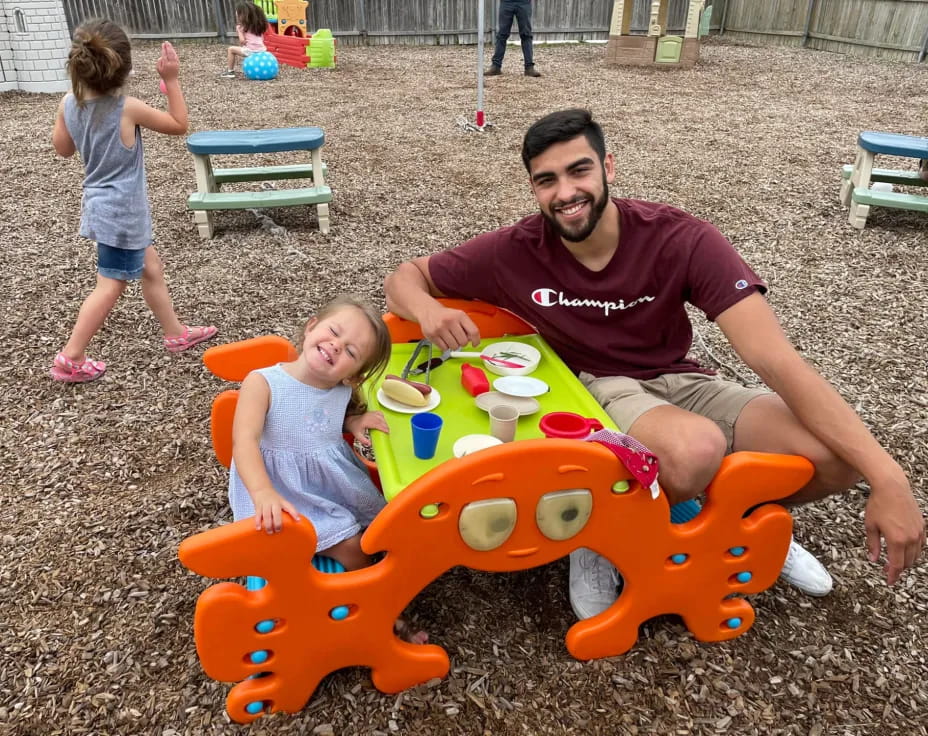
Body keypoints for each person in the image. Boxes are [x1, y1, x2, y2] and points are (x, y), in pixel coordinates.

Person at [384, 108, 925, 620]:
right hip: (595, 387)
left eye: (579, 171)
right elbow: (404, 277)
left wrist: (886, 475)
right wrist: (429, 309)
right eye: (546, 180)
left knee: (833, 459)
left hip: (681, 378)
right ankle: (597, 533)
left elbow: (774, 357)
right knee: (693, 453)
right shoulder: (515, 248)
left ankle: (736, 525)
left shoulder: (680, 238)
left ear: (608, 167)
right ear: (534, 189)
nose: (566, 193)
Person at [227, 296, 427, 642]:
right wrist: (263, 493)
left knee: (385, 527)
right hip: (281, 490)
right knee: (354, 546)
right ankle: (382, 610)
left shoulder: (338, 390)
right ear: (311, 327)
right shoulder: (263, 383)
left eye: (350, 352)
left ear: (354, 375)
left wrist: (353, 421)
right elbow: (244, 440)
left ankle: (371, 580)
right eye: (334, 332)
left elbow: (319, 422)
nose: (336, 346)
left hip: (328, 482)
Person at [51, 20, 217, 383]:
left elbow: (63, 149)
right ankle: (70, 356)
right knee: (111, 283)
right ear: (123, 68)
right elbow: (178, 124)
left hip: (99, 205)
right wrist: (172, 80)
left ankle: (175, 333)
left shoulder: (68, 102)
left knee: (150, 267)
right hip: (122, 213)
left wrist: (69, 111)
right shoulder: (126, 107)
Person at [485, 0, 541, 77]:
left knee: (526, 34)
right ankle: (496, 66)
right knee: (502, 35)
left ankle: (529, 67)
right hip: (506, 2)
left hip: (524, 2)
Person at [219, 2, 268, 78]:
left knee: (231, 49)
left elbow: (242, 41)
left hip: (251, 51)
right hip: (262, 50)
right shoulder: (258, 25)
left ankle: (230, 72)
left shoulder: (241, 27)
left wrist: (239, 31)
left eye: (238, 15)